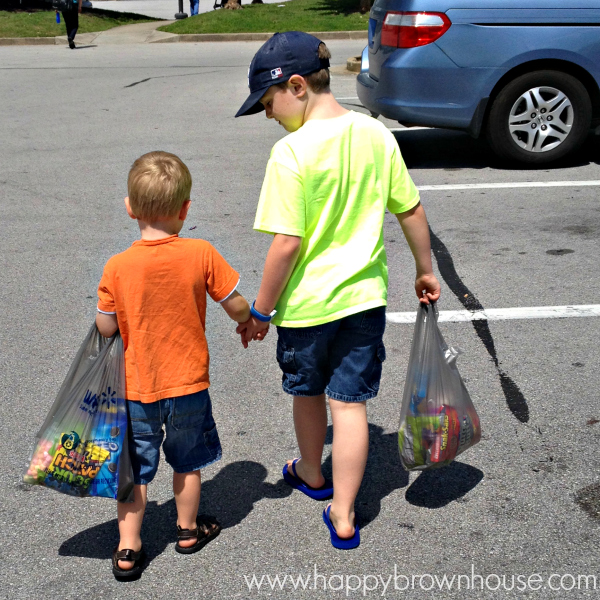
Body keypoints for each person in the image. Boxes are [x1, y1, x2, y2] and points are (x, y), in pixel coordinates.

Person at [234, 32, 441, 550]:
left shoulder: (290, 152)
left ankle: (310, 469)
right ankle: (344, 513)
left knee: (307, 393)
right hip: (363, 303)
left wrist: (260, 310)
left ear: (297, 86)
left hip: (306, 309)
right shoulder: (375, 134)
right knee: (350, 407)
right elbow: (410, 209)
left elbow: (286, 244)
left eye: (267, 102)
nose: (267, 115)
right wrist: (425, 268)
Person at [95, 151, 251, 579]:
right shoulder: (200, 253)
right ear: (185, 209)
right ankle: (186, 530)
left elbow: (106, 328)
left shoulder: (117, 267)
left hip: (137, 389)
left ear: (130, 207)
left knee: (135, 470)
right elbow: (234, 304)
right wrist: (251, 321)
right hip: (188, 386)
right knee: (187, 462)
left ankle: (128, 547)